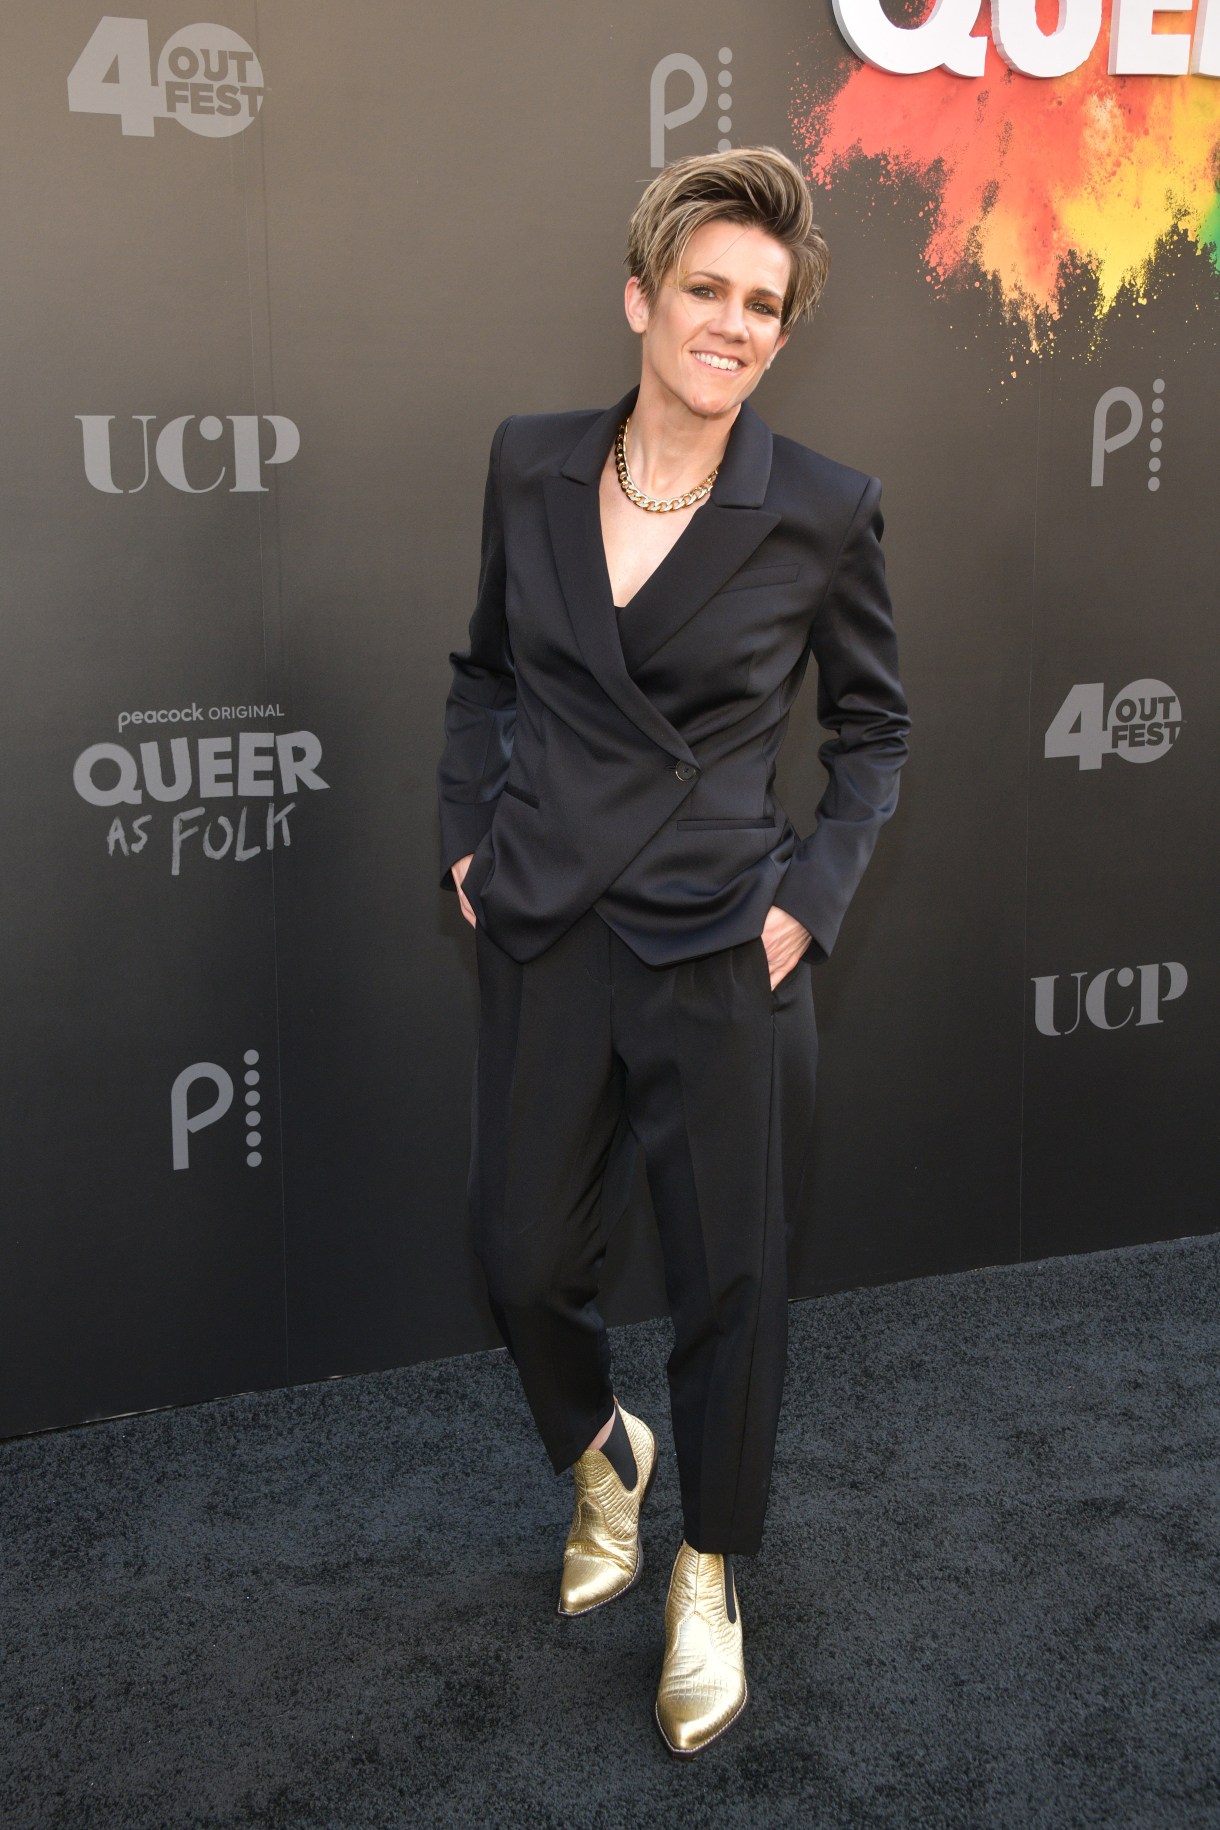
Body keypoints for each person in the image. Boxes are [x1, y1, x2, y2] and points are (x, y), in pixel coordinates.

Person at [435, 145, 910, 1756]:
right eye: (704, 289)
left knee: (733, 1285)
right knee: (517, 1256)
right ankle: (601, 1456)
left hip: (723, 941)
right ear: (641, 299)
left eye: (763, 304)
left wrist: (809, 900)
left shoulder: (822, 509)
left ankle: (709, 1564)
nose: (733, 322)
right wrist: (467, 835)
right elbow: (483, 670)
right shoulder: (533, 468)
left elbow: (875, 734)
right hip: (549, 919)